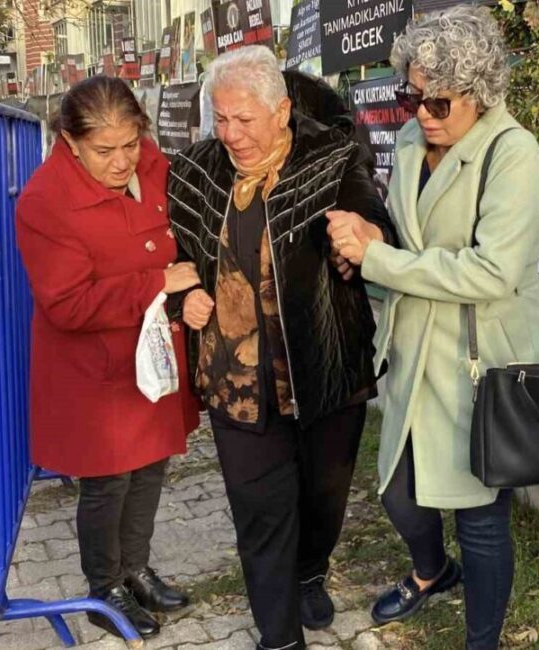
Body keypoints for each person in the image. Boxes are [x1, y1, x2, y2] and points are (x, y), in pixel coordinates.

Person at [327, 7, 539, 649]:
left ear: (478, 94)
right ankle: (431, 573)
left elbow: (493, 271)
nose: (422, 111)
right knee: (400, 494)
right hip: (412, 348)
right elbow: (409, 238)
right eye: (411, 94)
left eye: (439, 100)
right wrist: (374, 243)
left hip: (481, 362)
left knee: (481, 520)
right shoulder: (406, 142)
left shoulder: (513, 153)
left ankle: (481, 642)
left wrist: (381, 257)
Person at [165, 46, 394, 650]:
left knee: (322, 498)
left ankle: (311, 570)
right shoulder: (191, 172)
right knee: (260, 512)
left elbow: (369, 213)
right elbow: (171, 261)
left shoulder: (331, 158)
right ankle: (279, 636)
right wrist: (177, 299)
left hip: (322, 365)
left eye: (244, 120)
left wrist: (368, 234)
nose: (231, 134)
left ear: (283, 110)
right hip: (235, 381)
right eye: (221, 119)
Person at [15, 76, 200, 639]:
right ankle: (104, 588)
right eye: (104, 151)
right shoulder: (45, 201)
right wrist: (157, 282)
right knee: (108, 480)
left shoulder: (148, 163)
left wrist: (188, 287)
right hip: (94, 367)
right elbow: (67, 304)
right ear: (70, 142)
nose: (123, 160)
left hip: (151, 356)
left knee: (150, 466)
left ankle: (136, 568)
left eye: (130, 143)